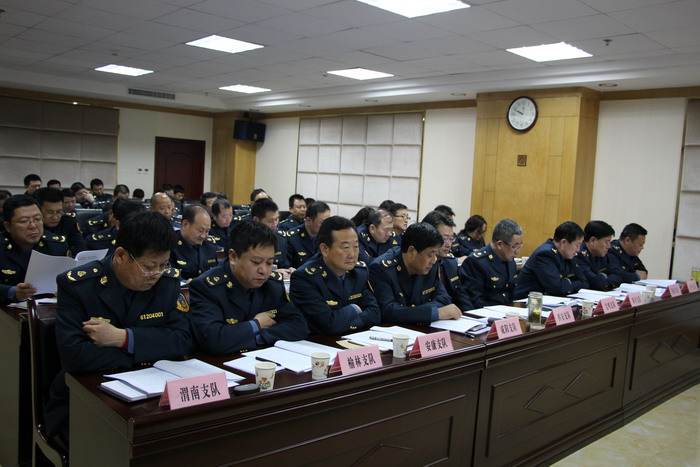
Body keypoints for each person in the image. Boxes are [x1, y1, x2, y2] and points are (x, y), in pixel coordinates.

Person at [45, 210, 194, 440]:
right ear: (121, 255)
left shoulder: (167, 283)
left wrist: (122, 338)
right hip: (84, 399)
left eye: (163, 265)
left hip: (152, 394)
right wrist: (150, 349)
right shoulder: (78, 285)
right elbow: (75, 357)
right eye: (149, 266)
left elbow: (182, 341)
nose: (156, 274)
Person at [189, 220, 308, 355]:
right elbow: (214, 340)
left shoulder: (272, 285)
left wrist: (257, 336)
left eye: (269, 263)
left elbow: (298, 326)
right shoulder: (207, 287)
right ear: (233, 257)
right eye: (256, 262)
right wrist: (256, 324)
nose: (264, 270)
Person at [290, 216, 381, 335]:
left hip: (354, 339)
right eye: (345, 247)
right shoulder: (305, 278)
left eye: (356, 246)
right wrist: (355, 309)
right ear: (324, 249)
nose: (352, 254)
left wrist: (345, 320)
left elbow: (375, 314)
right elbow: (328, 325)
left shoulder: (359, 272)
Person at [368, 222, 461, 325]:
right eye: (430, 255)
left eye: (435, 254)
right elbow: (388, 311)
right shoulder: (381, 269)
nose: (434, 260)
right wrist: (434, 313)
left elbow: (444, 299)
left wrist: (413, 313)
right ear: (411, 251)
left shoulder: (431, 265)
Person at [1, 195, 69, 304]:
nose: (33, 226)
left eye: (37, 219)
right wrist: (12, 292)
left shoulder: (56, 245)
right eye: (24, 221)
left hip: (47, 307)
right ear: (8, 226)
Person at [514, 221, 589, 298]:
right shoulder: (544, 254)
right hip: (528, 301)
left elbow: (584, 282)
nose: (578, 250)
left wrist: (566, 283)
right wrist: (570, 283)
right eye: (577, 245)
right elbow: (556, 288)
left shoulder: (569, 254)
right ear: (564, 242)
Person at [460, 219, 522, 308]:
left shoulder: (510, 261)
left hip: (506, 311)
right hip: (485, 312)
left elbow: (512, 293)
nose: (517, 251)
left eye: (519, 246)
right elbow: (475, 301)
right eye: (515, 246)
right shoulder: (476, 262)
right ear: (500, 244)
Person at [422, 211, 473, 311]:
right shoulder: (420, 266)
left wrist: (474, 316)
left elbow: (462, 298)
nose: (448, 244)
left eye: (451, 239)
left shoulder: (450, 264)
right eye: (444, 239)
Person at [170, 204, 217, 280]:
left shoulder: (210, 246)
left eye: (207, 231)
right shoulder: (170, 245)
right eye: (200, 230)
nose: (203, 236)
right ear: (185, 224)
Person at [35, 187, 85, 256]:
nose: (55, 217)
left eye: (59, 212)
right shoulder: (33, 225)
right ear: (39, 210)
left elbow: (80, 248)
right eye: (50, 212)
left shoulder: (68, 221)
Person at [576, 221, 624, 290]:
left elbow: (618, 275)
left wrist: (605, 281)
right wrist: (607, 280)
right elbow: (596, 282)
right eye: (606, 242)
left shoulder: (602, 254)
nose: (609, 246)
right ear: (593, 241)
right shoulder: (579, 255)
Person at [250, 198, 293, 274]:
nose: (275, 224)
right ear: (256, 220)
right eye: (270, 221)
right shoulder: (245, 239)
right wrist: (273, 272)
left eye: (276, 219)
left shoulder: (281, 239)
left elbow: (284, 265)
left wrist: (289, 270)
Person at [286, 201, 331, 268]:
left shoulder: (328, 237)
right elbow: (286, 268)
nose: (326, 226)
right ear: (309, 220)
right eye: (322, 222)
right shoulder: (291, 238)